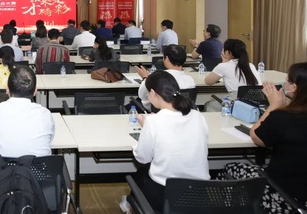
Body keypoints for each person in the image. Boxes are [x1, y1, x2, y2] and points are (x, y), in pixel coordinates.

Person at [217, 62, 307, 213]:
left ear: (294, 87)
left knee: (229, 169)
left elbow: (256, 136)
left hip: (284, 195)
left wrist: (273, 106)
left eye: (287, 80)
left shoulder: (284, 117)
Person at [131, 71, 209, 212]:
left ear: (153, 93)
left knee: (139, 176)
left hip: (165, 192)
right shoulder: (198, 116)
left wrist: (146, 128)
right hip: (199, 193)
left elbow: (142, 158)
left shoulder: (153, 122)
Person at [0, 66, 55, 157]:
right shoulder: (45, 115)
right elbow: (49, 138)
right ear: (35, 91)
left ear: (7, 90)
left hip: (1, 166)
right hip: (39, 166)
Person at [135, 45, 196, 111]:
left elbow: (142, 95)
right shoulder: (190, 80)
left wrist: (145, 78)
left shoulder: (158, 77)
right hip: (183, 113)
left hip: (158, 113)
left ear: (166, 58)